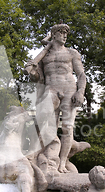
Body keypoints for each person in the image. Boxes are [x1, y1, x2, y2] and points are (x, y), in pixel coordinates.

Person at [25, 24, 86, 173]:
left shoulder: (72, 53)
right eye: (61, 32)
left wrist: (80, 92)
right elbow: (38, 76)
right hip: (51, 89)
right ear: (54, 34)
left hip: (69, 90)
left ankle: (62, 163)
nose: (64, 36)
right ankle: (37, 154)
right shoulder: (45, 55)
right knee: (43, 120)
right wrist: (34, 72)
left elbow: (81, 75)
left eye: (66, 33)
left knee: (67, 127)